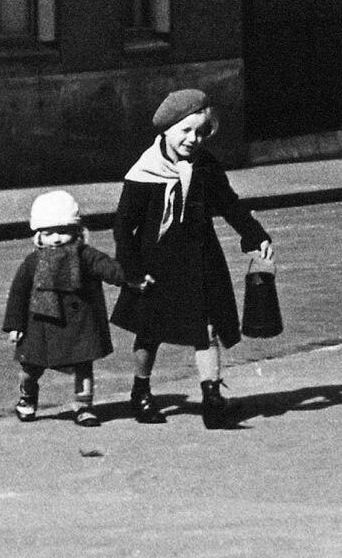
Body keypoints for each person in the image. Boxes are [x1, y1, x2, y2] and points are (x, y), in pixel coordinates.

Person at [110, 89, 273, 428]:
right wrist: (133, 271)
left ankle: (212, 400)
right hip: (154, 262)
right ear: (166, 129)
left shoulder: (206, 165)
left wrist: (255, 235)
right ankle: (140, 393)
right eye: (185, 130)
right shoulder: (145, 171)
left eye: (200, 132)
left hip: (200, 260)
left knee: (207, 327)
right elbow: (124, 225)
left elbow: (228, 203)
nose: (193, 139)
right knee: (148, 329)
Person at [2, 188, 141, 427]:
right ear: (38, 236)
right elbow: (19, 293)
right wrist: (15, 325)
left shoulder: (85, 255)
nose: (56, 239)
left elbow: (108, 267)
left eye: (63, 232)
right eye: (48, 233)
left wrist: (131, 277)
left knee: (83, 365)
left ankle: (84, 406)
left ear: (76, 232)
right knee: (30, 368)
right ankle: (27, 398)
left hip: (78, 324)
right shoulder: (33, 261)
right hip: (40, 325)